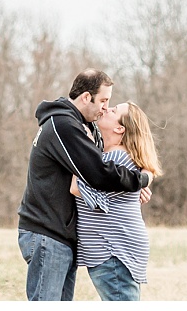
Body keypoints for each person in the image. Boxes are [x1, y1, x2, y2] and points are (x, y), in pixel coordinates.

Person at [17, 69, 153, 301]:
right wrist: (140, 180)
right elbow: (98, 173)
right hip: (47, 231)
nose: (105, 107)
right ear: (86, 97)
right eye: (103, 100)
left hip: (62, 235)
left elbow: (101, 172)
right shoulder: (64, 126)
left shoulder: (84, 127)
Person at [70, 102, 162, 301]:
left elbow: (76, 188)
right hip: (113, 250)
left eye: (114, 110)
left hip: (113, 251)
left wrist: (81, 148)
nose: (107, 109)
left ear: (120, 128)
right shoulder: (110, 157)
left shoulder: (116, 158)